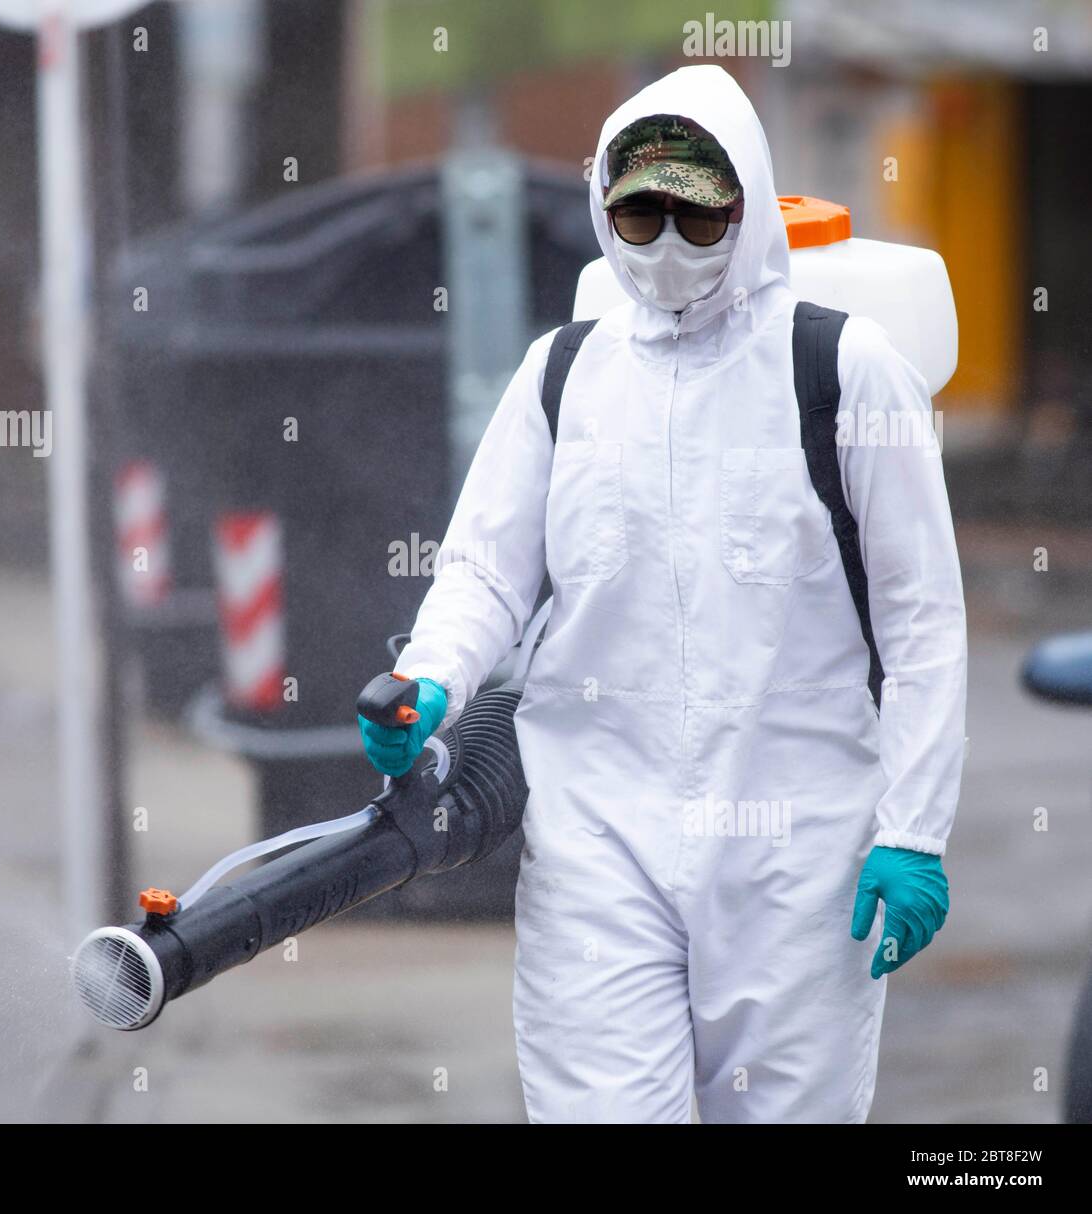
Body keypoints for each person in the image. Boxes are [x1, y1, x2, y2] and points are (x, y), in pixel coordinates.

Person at [358, 64, 966, 1123]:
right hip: (602, 847)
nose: (671, 242)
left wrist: (913, 829)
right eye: (642, 212)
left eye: (697, 211)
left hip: (798, 861)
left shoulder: (844, 370)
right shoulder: (561, 374)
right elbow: (486, 573)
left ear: (747, 202)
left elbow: (923, 623)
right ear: (604, 211)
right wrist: (427, 683)